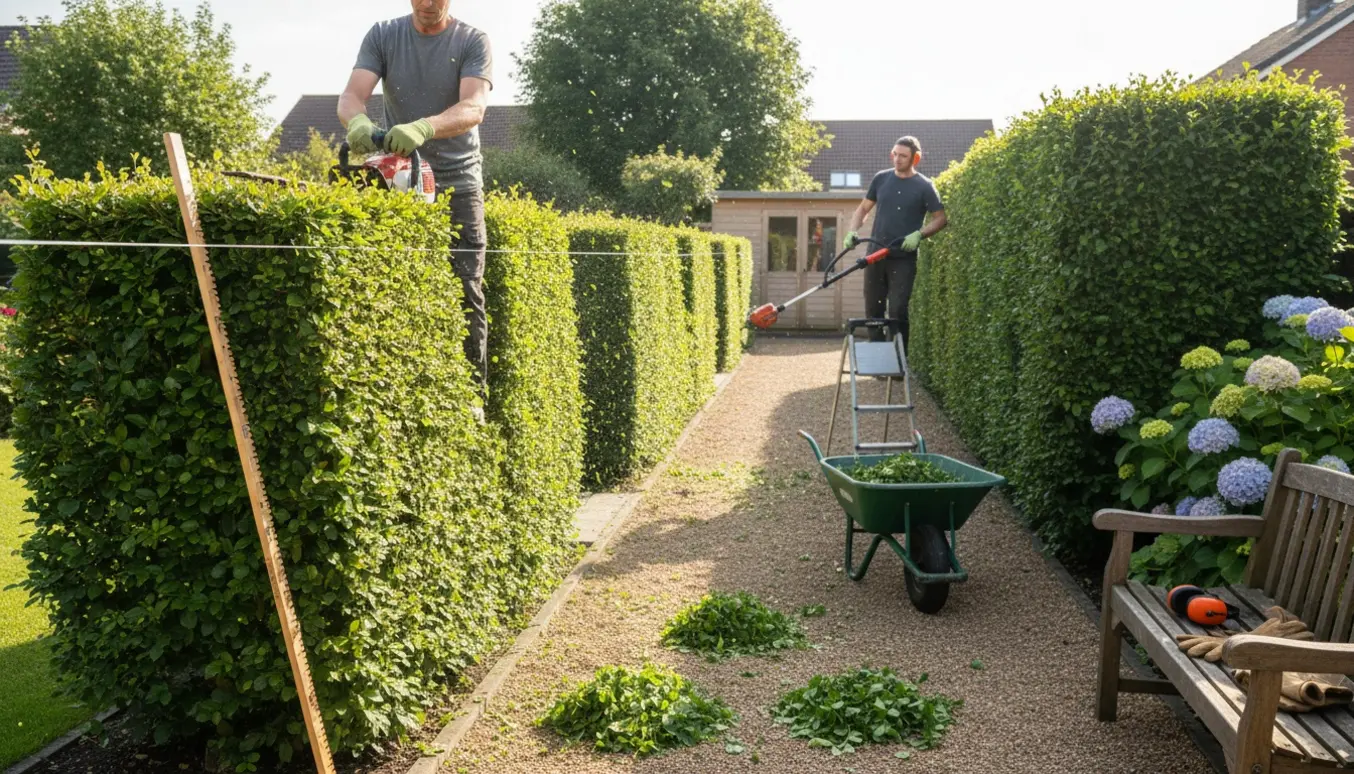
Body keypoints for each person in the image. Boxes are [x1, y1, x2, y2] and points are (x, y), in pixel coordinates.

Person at [338, 0, 493, 389]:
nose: (427, 3)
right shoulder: (384, 35)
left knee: (465, 290)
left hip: (458, 185)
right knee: (392, 285)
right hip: (402, 183)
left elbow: (473, 106)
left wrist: (424, 127)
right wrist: (357, 121)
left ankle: (471, 398)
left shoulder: (472, 40)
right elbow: (352, 95)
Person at [843, 136, 948, 348]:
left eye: (903, 156)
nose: (897, 159)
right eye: (895, 154)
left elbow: (941, 218)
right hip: (875, 254)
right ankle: (878, 357)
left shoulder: (924, 186)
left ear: (915, 159)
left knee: (898, 310)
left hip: (903, 258)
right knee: (873, 310)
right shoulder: (881, 179)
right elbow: (863, 209)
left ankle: (899, 359)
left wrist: (919, 234)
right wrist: (852, 230)